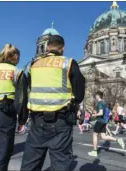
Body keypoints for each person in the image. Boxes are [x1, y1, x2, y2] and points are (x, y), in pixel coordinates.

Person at [20, 35, 85, 171]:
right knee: (60, 163)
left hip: (37, 120)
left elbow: (28, 90)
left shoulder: (33, 65)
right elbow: (79, 93)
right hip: (61, 120)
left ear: (48, 47)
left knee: (30, 163)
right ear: (63, 48)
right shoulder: (68, 63)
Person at [88, 91, 125, 157]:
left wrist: (94, 115)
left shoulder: (100, 103)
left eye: (96, 96)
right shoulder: (104, 103)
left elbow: (101, 113)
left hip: (100, 121)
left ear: (98, 96)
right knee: (103, 136)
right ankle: (117, 140)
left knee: (95, 135)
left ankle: (94, 151)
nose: (95, 97)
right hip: (104, 121)